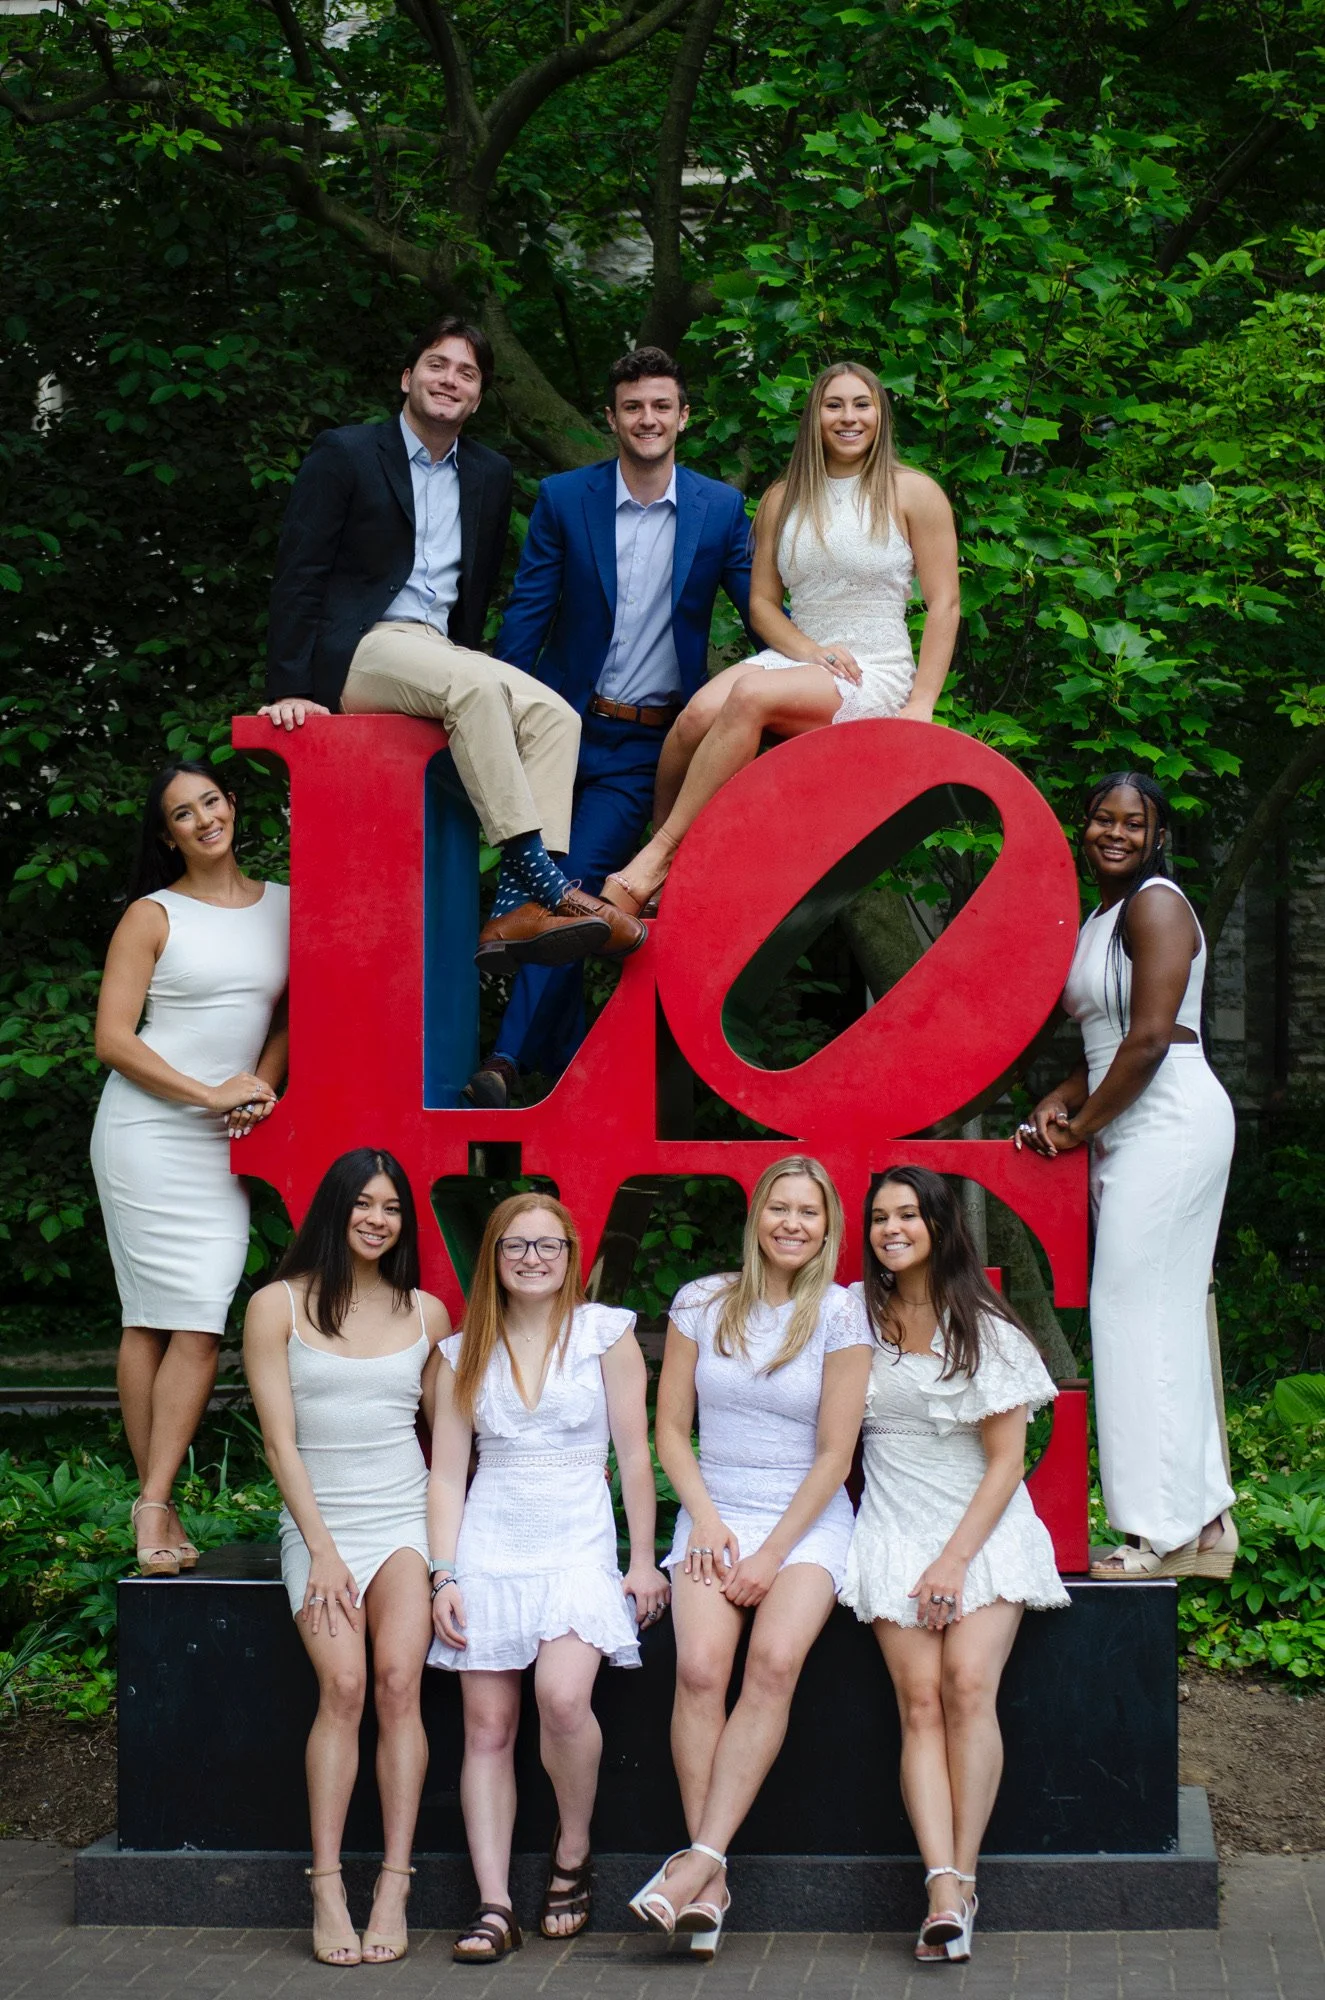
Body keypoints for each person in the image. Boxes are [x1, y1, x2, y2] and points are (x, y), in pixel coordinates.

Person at [262, 314, 644, 973]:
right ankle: (548, 885)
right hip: (360, 646)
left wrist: (469, 668)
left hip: (437, 651)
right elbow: (301, 573)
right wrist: (290, 686)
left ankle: (522, 905)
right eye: (438, 365)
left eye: (467, 373)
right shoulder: (346, 453)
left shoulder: (488, 475)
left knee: (553, 712)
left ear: (477, 396)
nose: (450, 380)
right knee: (471, 686)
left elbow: (475, 586)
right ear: (407, 377)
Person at [463, 347, 752, 1105]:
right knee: (546, 891)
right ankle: (551, 1076)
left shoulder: (719, 509)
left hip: (645, 748)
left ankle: (504, 1061)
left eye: (661, 406)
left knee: (574, 892)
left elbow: (757, 613)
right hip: (561, 727)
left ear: (683, 417)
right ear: (611, 418)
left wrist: (804, 672)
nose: (647, 419)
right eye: (632, 407)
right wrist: (504, 719)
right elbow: (528, 613)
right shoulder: (565, 499)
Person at [600, 360, 960, 917]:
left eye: (861, 404)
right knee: (693, 718)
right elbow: (763, 603)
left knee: (747, 698)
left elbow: (945, 605)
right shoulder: (781, 498)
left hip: (873, 665)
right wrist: (808, 651)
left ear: (880, 413)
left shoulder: (913, 492)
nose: (848, 417)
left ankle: (655, 861)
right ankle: (673, 871)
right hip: (801, 655)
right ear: (814, 417)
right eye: (833, 405)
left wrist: (922, 705)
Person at [630, 1156, 872, 1955]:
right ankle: (714, 1882)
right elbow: (670, 1429)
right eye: (779, 1208)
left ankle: (692, 1867)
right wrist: (703, 1520)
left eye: (809, 1211)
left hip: (806, 1521)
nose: (792, 1224)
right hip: (715, 1511)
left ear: (827, 1225)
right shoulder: (702, 1301)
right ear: (756, 1216)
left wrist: (770, 1555)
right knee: (700, 1668)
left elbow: (835, 1455)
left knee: (770, 1661)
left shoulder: (842, 1315)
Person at [427, 1194, 667, 1961]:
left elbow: (634, 1455)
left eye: (549, 1245)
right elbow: (444, 1477)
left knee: (562, 1698)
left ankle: (572, 1847)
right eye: (515, 1245)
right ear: (492, 1258)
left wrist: (640, 1559)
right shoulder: (461, 1352)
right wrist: (444, 1575)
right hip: (489, 1546)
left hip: (576, 1546)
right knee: (486, 1729)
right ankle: (494, 1904)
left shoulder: (606, 1335)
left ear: (571, 1254)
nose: (533, 1258)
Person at [841, 1166, 1068, 1965]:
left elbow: (1005, 1463)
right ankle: (938, 1883)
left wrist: (953, 1561)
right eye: (878, 1217)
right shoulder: (853, 1323)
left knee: (967, 1687)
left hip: (981, 1533)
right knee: (918, 1703)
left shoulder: (989, 1330)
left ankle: (963, 1879)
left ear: (939, 1224)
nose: (891, 1228)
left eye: (907, 1214)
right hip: (893, 1533)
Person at [1016, 773, 1237, 1579]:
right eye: (1101, 818)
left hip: (1170, 1118)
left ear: (1157, 836)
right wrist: (1065, 1096)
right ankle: (1202, 1521)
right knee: (1157, 1314)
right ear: (1084, 827)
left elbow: (1151, 1040)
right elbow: (1110, 1040)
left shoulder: (1156, 904)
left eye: (1132, 823)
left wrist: (1082, 1125)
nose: (1114, 832)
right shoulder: (1102, 917)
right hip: (1127, 1114)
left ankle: (1155, 1530)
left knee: (1126, 1310)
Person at [244, 1148, 450, 1967]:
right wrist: (322, 1549)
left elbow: (451, 1437)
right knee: (346, 1684)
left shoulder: (425, 1312)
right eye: (364, 1203)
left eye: (392, 1207)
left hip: (404, 1516)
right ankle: (326, 1883)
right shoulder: (276, 1307)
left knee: (400, 1683)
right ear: (334, 1210)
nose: (377, 1218)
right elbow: (277, 1440)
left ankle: (394, 1882)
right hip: (318, 1522)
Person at [91, 761, 288, 1576]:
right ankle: (156, 1504)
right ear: (167, 833)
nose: (204, 818)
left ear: (232, 806)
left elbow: (292, 1018)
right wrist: (209, 1092)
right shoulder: (151, 915)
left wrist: (261, 1086)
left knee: (200, 1317)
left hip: (225, 1137)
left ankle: (155, 1498)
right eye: (182, 812)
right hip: (147, 1132)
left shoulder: (285, 904)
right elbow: (114, 1039)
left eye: (211, 801)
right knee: (152, 1318)